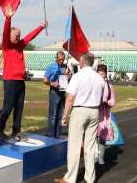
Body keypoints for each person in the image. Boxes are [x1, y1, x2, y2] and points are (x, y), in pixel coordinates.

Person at [0, 5, 47, 141]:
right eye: (16, 36)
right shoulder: (6, 45)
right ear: (11, 35)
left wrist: (41, 27)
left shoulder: (20, 44)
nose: (19, 38)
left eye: (19, 36)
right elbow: (6, 33)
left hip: (20, 81)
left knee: (19, 107)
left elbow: (30, 37)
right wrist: (8, 18)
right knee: (7, 107)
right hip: (10, 80)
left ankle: (16, 131)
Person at [55, 52, 105, 183]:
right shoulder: (100, 79)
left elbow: (70, 98)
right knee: (90, 146)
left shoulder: (77, 76)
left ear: (82, 62)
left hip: (80, 110)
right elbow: (101, 98)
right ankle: (90, 178)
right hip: (94, 111)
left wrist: (65, 116)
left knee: (74, 146)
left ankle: (70, 178)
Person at [43, 51, 68, 139]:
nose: (61, 61)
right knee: (53, 116)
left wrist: (69, 76)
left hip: (62, 92)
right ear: (56, 58)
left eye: (63, 60)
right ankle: (50, 136)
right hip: (54, 92)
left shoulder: (66, 67)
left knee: (60, 116)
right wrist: (52, 83)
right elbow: (45, 79)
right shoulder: (51, 67)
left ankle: (58, 135)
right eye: (60, 59)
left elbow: (69, 78)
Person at [96, 64, 116, 165]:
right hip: (94, 111)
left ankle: (100, 157)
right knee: (93, 136)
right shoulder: (93, 84)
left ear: (106, 75)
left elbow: (113, 101)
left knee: (102, 137)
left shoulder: (109, 86)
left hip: (104, 114)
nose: (101, 76)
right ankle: (94, 156)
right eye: (99, 74)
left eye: (103, 75)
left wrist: (107, 102)